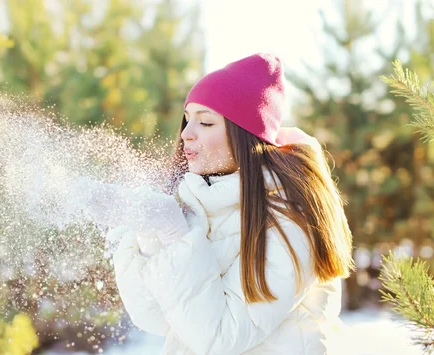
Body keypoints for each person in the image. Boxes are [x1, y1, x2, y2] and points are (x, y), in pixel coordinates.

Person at [109, 53, 355, 355]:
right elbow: (158, 319)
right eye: (187, 119)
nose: (187, 133)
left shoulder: (292, 218)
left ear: (244, 135)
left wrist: (175, 238)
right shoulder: (201, 203)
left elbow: (221, 338)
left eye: (206, 122)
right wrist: (148, 236)